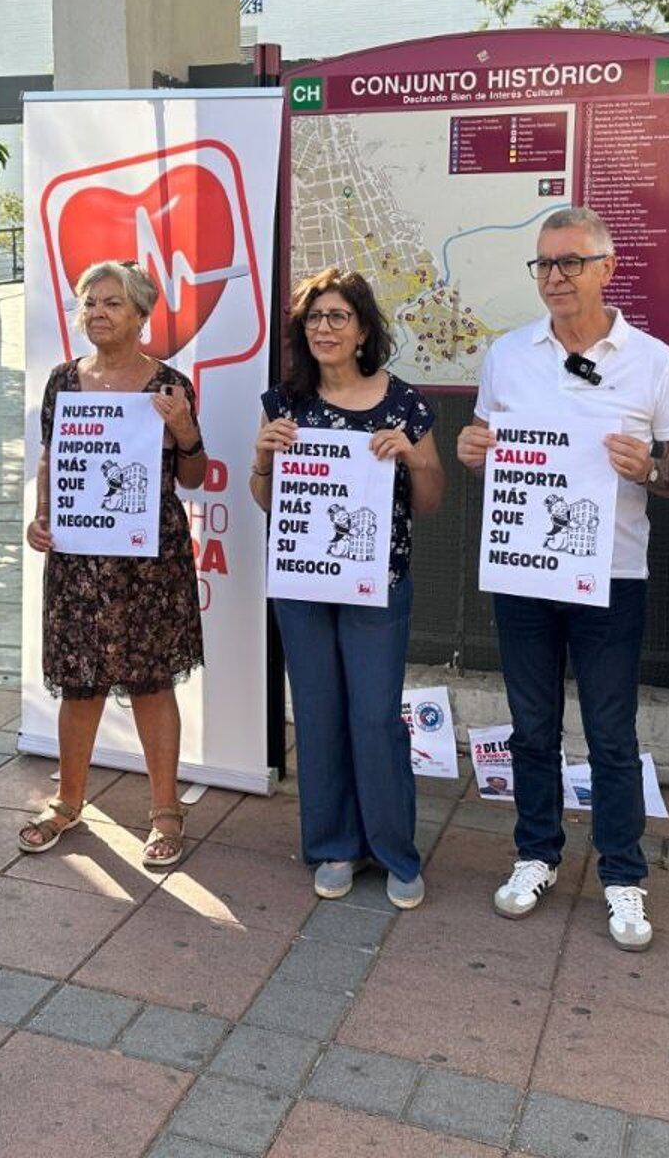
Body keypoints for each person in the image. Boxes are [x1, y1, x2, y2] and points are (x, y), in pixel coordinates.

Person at [456, 208, 669, 946]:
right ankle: (536, 853)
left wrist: (653, 468)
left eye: (569, 262)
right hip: (526, 568)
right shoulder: (507, 355)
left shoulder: (653, 360)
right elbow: (490, 448)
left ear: (607, 266)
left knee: (610, 733)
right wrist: (475, 449)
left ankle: (623, 875)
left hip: (613, 574)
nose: (555, 277)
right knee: (532, 727)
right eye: (543, 264)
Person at [251, 268, 446, 910]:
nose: (324, 329)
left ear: (364, 328)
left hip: (378, 585)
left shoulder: (404, 403)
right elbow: (266, 501)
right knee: (317, 712)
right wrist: (263, 459)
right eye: (313, 318)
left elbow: (432, 500)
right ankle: (334, 843)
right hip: (303, 585)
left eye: (337, 317)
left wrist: (414, 456)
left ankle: (393, 850)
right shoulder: (284, 404)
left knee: (374, 716)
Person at [21, 261, 207, 869]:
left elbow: (193, 478)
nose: (98, 314)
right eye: (90, 304)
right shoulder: (62, 383)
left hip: (150, 560)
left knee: (151, 681)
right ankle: (67, 802)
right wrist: (42, 516)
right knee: (80, 680)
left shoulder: (170, 384)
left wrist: (182, 429)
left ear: (141, 314)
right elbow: (52, 458)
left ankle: (165, 813)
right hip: (78, 558)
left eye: (112, 304)